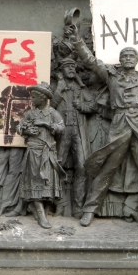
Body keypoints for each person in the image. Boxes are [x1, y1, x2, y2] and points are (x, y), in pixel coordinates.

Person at [71, 30, 138, 238]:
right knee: (107, 168)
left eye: (131, 56)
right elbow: (90, 60)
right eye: (124, 56)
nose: (127, 58)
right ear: (119, 60)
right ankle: (90, 210)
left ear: (137, 60)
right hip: (119, 124)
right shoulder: (111, 75)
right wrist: (76, 40)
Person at [17, 82, 65, 229]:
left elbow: (61, 127)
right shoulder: (31, 113)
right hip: (34, 152)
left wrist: (46, 124)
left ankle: (39, 208)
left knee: (46, 183)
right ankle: (40, 213)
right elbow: (20, 127)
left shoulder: (53, 113)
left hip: (47, 152)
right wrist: (26, 131)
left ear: (43, 98)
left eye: (34, 98)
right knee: (35, 182)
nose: (32, 101)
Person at [50, 58, 91, 217]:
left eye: (73, 66)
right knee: (57, 165)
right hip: (62, 131)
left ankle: (78, 206)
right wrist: (59, 90)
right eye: (67, 66)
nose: (71, 69)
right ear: (61, 70)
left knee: (82, 166)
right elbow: (48, 108)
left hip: (78, 131)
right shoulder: (56, 87)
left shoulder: (80, 89)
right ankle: (59, 203)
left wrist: (81, 106)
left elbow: (94, 105)